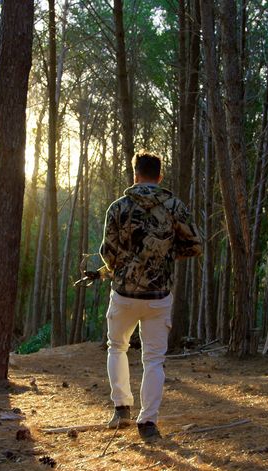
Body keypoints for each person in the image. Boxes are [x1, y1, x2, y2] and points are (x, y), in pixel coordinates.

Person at [99, 152, 202, 443]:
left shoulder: (118, 207)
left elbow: (108, 252)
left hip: (124, 293)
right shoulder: (174, 206)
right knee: (154, 360)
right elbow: (195, 245)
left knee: (116, 347)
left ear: (135, 175)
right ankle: (148, 423)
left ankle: (121, 409)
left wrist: (121, 267)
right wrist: (165, 256)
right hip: (159, 295)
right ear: (160, 176)